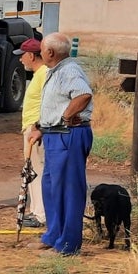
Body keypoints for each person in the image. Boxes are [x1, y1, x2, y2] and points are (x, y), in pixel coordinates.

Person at [31, 32, 94, 255]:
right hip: (54, 135)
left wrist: (67, 116)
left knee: (68, 190)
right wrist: (41, 127)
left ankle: (68, 244)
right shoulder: (54, 71)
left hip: (68, 135)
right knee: (52, 187)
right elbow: (55, 103)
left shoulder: (69, 70)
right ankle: (54, 235)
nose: (39, 53)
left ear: (50, 52)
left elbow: (83, 94)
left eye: (41, 49)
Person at [17, 37, 47, 228]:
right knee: (33, 171)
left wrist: (38, 127)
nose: (21, 60)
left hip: (37, 130)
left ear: (31, 55)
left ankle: (41, 215)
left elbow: (49, 103)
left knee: (38, 171)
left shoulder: (44, 73)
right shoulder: (39, 74)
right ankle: (36, 211)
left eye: (22, 56)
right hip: (32, 128)